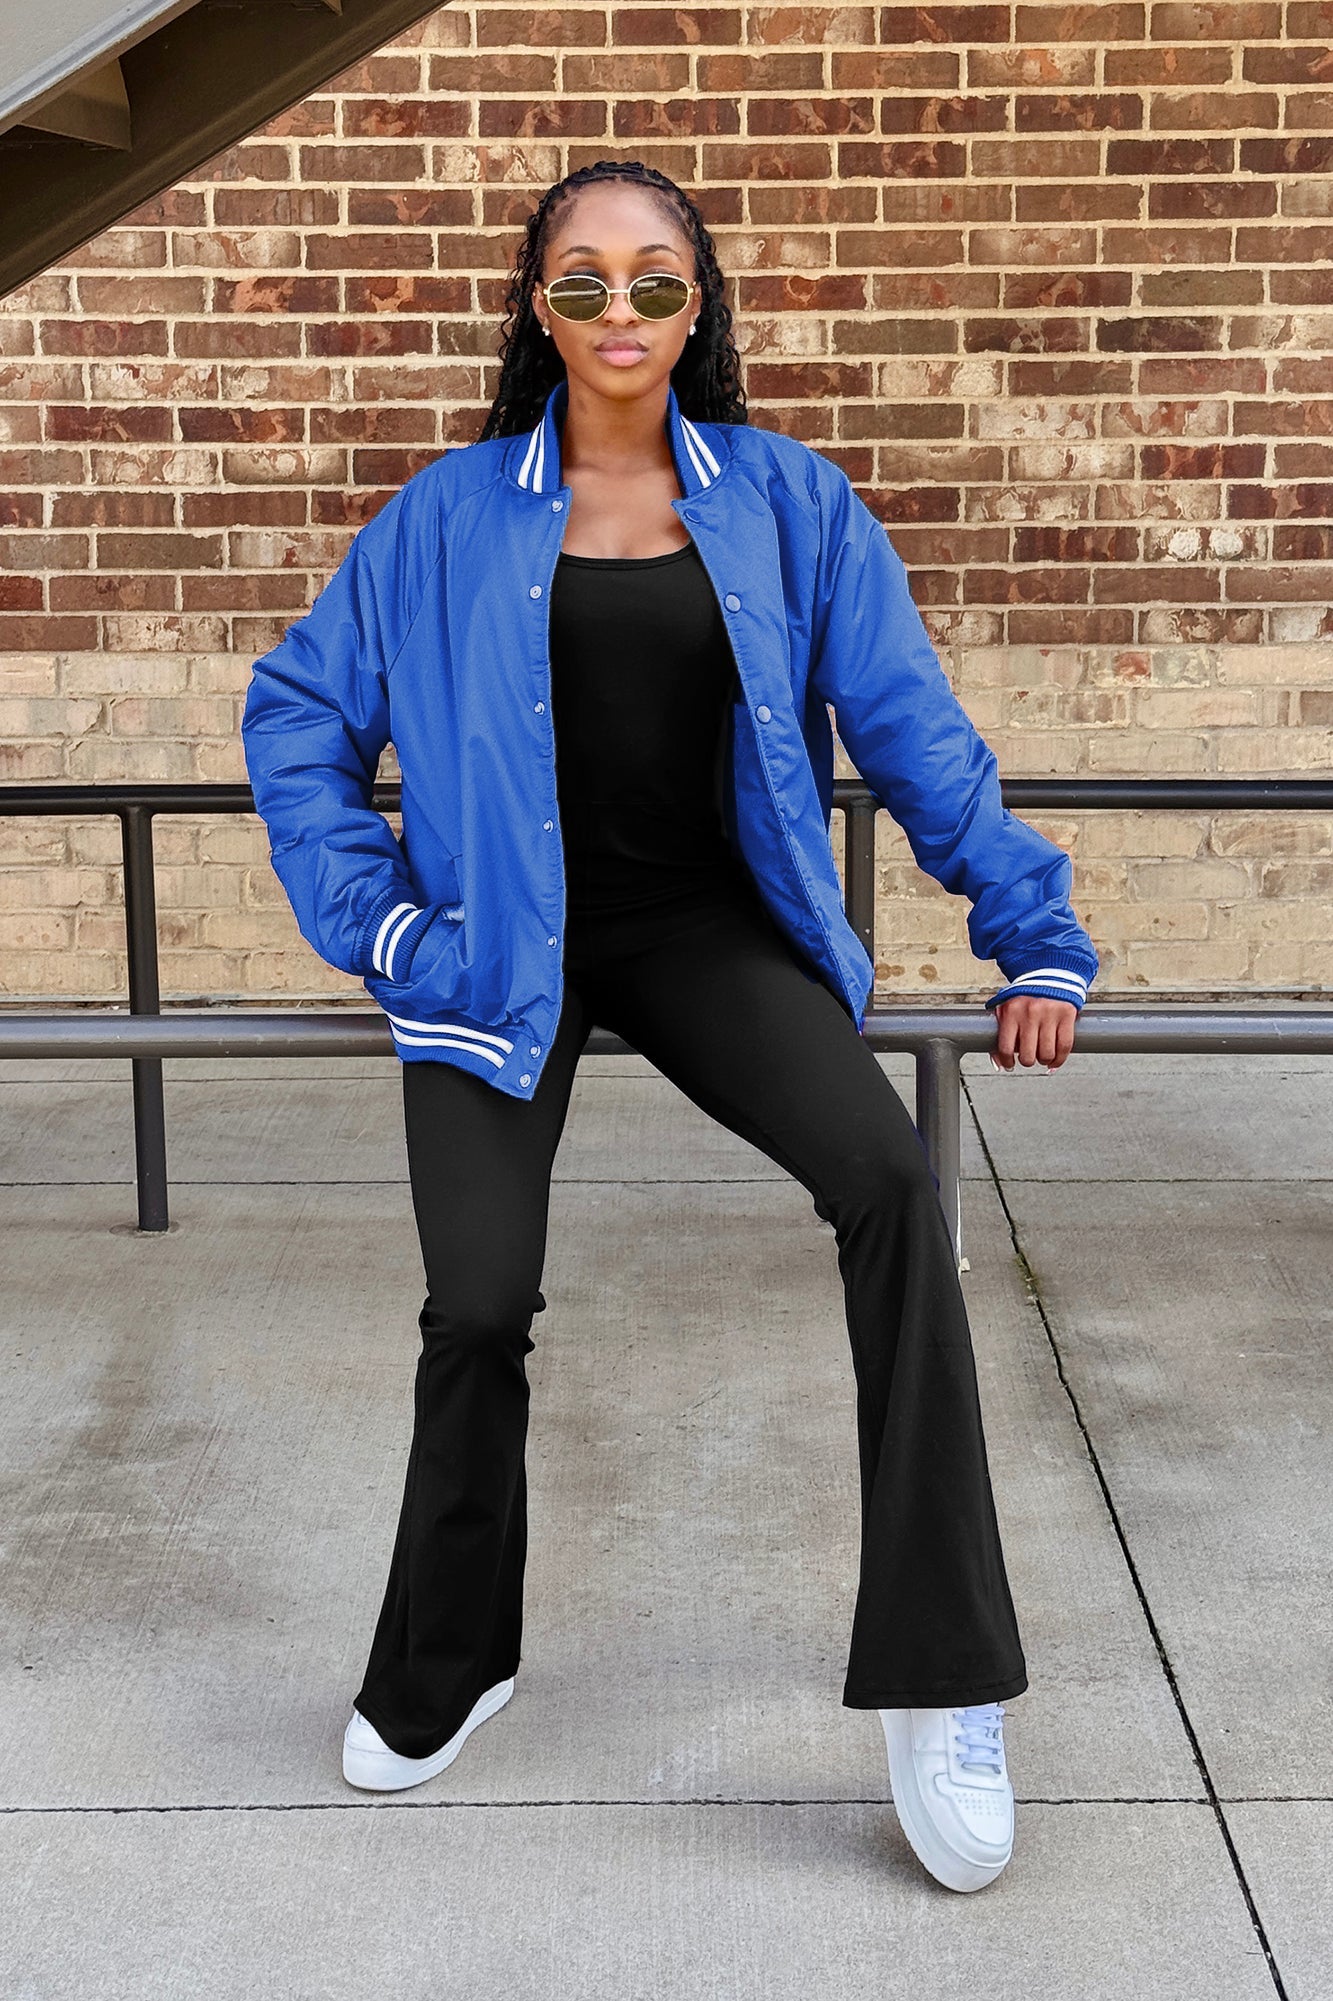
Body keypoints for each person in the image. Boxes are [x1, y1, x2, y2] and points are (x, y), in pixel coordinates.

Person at [241, 158, 1098, 1894]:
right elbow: (297, 716)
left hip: (704, 930)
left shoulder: (788, 501)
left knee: (891, 1188)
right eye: (581, 280)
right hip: (494, 951)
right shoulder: (441, 517)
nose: (618, 309)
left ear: (697, 305)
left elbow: (915, 731)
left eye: (653, 279)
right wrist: (383, 923)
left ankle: (942, 1679)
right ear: (536, 308)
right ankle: (449, 1657)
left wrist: (1031, 932)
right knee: (477, 1305)